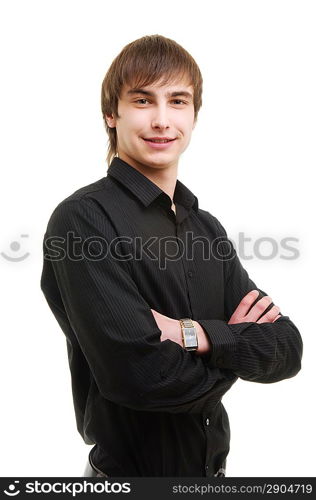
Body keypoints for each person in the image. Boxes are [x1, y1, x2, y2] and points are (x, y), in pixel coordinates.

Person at [40, 34, 303, 477]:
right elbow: (142, 380)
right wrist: (234, 349)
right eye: (143, 100)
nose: (162, 120)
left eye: (177, 101)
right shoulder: (84, 222)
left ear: (194, 115)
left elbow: (288, 348)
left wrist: (192, 335)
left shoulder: (206, 228)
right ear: (112, 113)